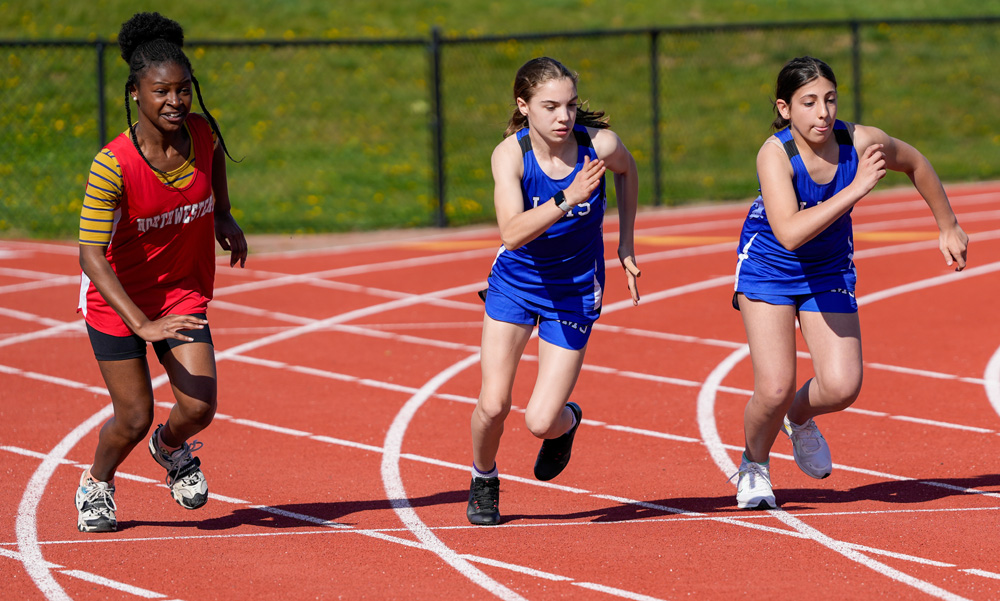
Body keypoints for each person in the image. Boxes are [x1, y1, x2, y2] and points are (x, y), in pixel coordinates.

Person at [731, 56, 968, 509]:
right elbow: (790, 232)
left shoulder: (860, 140)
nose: (823, 112)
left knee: (842, 386)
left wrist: (948, 225)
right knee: (775, 386)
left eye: (830, 99)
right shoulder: (774, 154)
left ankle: (798, 420)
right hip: (771, 267)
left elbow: (915, 161)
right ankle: (754, 464)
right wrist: (856, 188)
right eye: (808, 103)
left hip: (828, 268)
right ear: (785, 109)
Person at [74, 11, 247, 532]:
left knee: (197, 408)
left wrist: (222, 211)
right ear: (135, 93)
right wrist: (143, 325)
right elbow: (90, 255)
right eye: (160, 92)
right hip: (117, 299)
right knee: (133, 416)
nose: (175, 101)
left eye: (183, 90)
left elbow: (214, 156)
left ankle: (170, 451)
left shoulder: (201, 131)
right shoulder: (113, 164)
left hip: (180, 292)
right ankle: (97, 483)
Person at [466, 57, 641, 526]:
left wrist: (625, 241)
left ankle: (569, 422)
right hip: (517, 284)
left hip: (574, 291)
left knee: (541, 421)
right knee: (494, 403)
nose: (563, 117)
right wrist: (568, 198)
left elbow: (628, 171)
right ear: (524, 107)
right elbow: (511, 232)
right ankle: (484, 477)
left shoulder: (599, 145)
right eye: (550, 107)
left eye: (569, 105)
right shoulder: (510, 154)